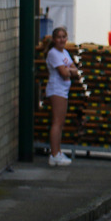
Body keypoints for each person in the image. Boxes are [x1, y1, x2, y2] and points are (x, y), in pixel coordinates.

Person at [45, 27, 78, 166]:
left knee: (61, 122)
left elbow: (74, 70)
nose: (62, 40)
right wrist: (69, 71)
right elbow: (64, 73)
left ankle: (58, 152)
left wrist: (68, 70)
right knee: (57, 122)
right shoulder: (53, 53)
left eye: (64, 37)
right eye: (59, 37)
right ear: (54, 39)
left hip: (63, 90)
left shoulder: (64, 52)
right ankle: (54, 154)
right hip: (56, 90)